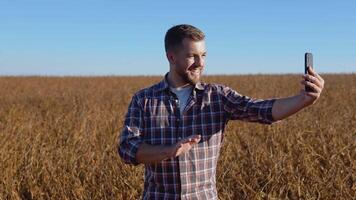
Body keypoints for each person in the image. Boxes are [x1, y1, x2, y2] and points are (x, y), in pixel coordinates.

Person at [118, 24, 324, 199]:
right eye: (192, 56)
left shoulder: (217, 96)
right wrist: (168, 151)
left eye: (204, 55)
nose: (200, 63)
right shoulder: (144, 100)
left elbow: (262, 110)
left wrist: (303, 100)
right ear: (171, 57)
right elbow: (128, 149)